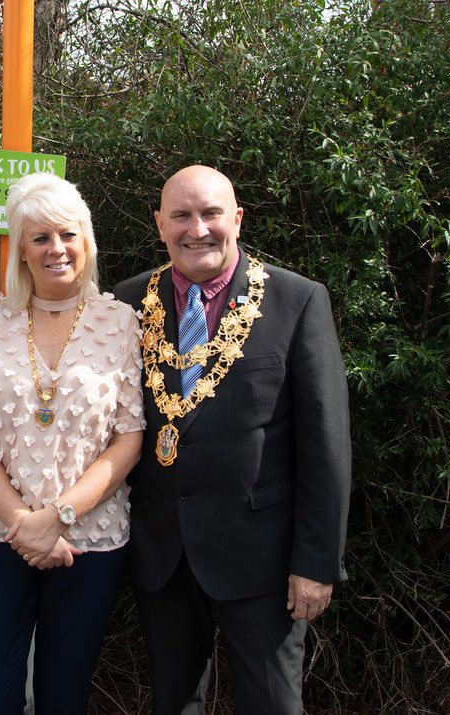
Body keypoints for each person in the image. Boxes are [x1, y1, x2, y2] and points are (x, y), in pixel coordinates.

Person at [113, 165, 352, 714]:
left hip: (264, 561)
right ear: (160, 225)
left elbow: (327, 444)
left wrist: (317, 562)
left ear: (237, 219)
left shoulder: (296, 301)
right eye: (181, 215)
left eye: (211, 213)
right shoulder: (128, 303)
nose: (197, 229)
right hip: (164, 556)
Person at [0, 172, 145, 714]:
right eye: (40, 237)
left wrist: (58, 517)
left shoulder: (121, 322)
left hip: (89, 540)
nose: (56, 248)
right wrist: (24, 524)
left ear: (87, 241)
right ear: (21, 250)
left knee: (64, 694)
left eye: (67, 234)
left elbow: (129, 439)